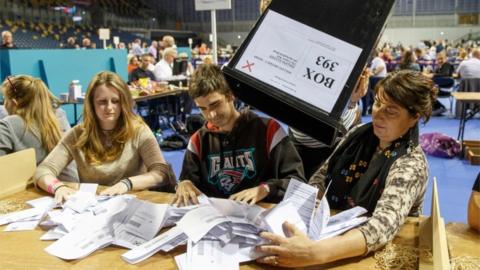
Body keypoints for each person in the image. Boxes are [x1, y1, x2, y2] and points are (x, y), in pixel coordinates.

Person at [256, 70, 436, 268]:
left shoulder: (410, 163)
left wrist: (313, 253)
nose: (378, 114)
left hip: (377, 252)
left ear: (414, 118)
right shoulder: (359, 133)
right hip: (335, 229)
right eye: (377, 103)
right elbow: (322, 175)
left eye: (391, 111)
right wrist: (300, 211)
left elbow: (381, 226)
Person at [173, 64, 305, 206]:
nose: (211, 114)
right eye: (203, 109)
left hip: (261, 217)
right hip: (217, 220)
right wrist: (183, 184)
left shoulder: (269, 130)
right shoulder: (197, 141)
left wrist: (266, 189)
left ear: (230, 95)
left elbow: (297, 182)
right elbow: (187, 182)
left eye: (215, 104)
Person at [34, 71, 176, 203]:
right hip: (94, 207)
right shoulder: (78, 134)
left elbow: (161, 173)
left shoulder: (139, 131)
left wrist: (127, 183)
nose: (109, 107)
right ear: (91, 104)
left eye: (115, 101)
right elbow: (43, 170)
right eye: (102, 102)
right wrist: (57, 187)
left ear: (124, 103)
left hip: (132, 203)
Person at [0, 75, 77, 181]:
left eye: (5, 99)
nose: (4, 104)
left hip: (37, 192)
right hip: (72, 188)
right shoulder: (59, 117)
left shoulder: (8, 125)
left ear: (14, 102)